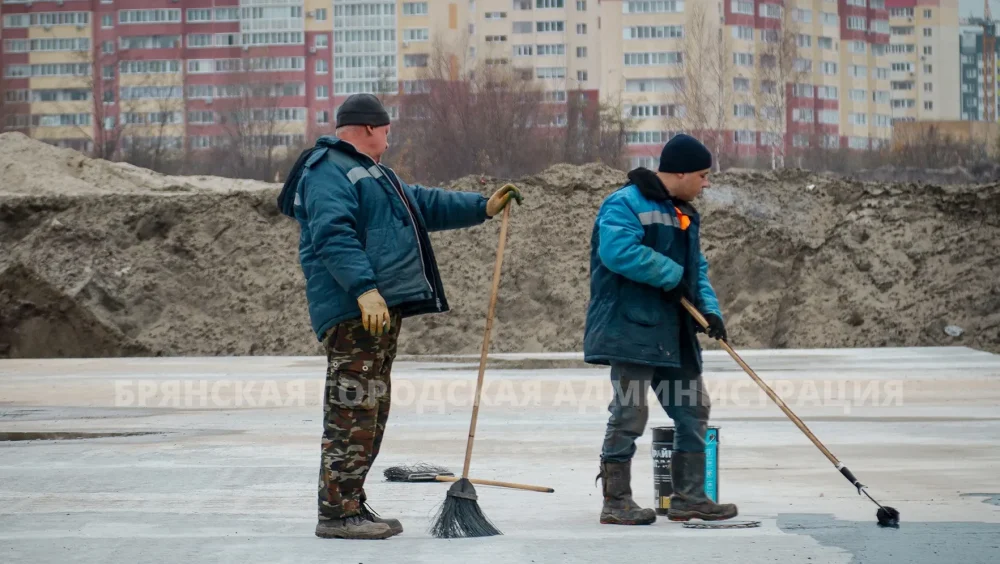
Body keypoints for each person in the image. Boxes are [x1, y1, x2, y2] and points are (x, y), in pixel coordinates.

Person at [276, 93, 523, 540]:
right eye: (387, 132)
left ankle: (351, 502)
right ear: (371, 127)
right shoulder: (328, 170)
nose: (389, 141)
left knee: (370, 409)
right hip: (355, 311)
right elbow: (333, 234)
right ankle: (335, 513)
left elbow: (423, 205)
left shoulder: (373, 174)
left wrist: (482, 206)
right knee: (351, 410)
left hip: (375, 311)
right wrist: (364, 289)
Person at [583, 134, 738, 525]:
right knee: (629, 413)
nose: (706, 183)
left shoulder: (682, 212)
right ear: (681, 171)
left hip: (673, 336)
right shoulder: (624, 204)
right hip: (632, 330)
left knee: (692, 409)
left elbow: (695, 271)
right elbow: (617, 252)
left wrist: (709, 312)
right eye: (703, 175)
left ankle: (689, 498)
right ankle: (616, 502)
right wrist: (671, 276)